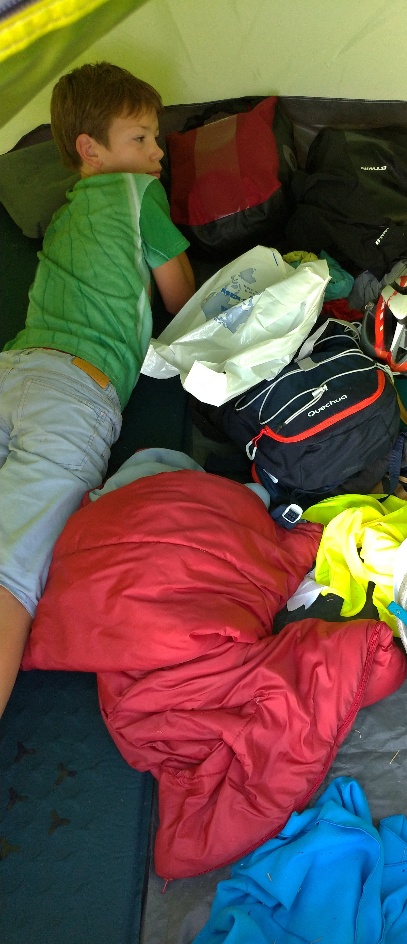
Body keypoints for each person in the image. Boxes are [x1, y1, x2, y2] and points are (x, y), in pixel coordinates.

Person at [0, 62, 196, 718]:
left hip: (13, 368)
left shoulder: (64, 212)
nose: (158, 152)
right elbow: (182, 299)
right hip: (71, 393)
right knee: (11, 570)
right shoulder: (140, 193)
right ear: (92, 149)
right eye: (140, 138)